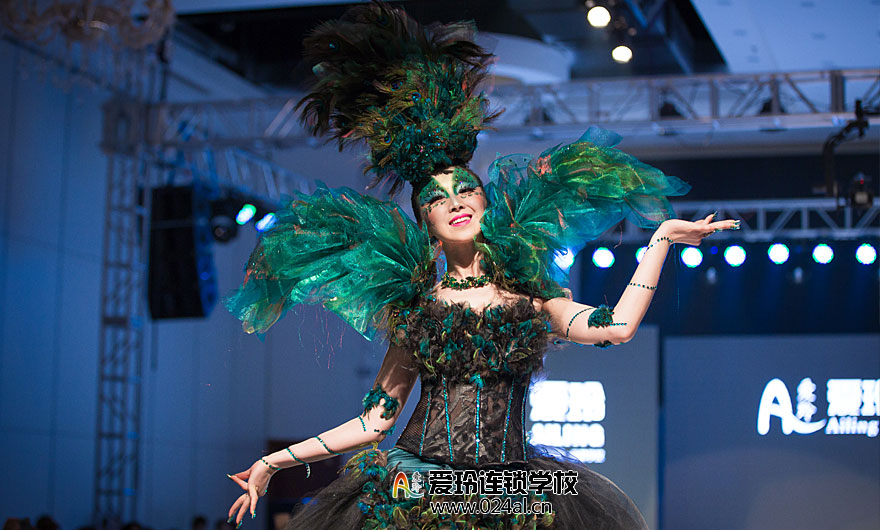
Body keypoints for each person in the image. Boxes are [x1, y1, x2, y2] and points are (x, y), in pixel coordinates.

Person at [222, 2, 738, 529]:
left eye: (466, 189)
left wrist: (662, 238)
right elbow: (374, 423)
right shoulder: (417, 313)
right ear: (426, 222)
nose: (455, 202)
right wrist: (272, 462)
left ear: (486, 203)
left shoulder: (531, 302)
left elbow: (619, 327)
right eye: (437, 198)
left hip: (507, 492)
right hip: (423, 490)